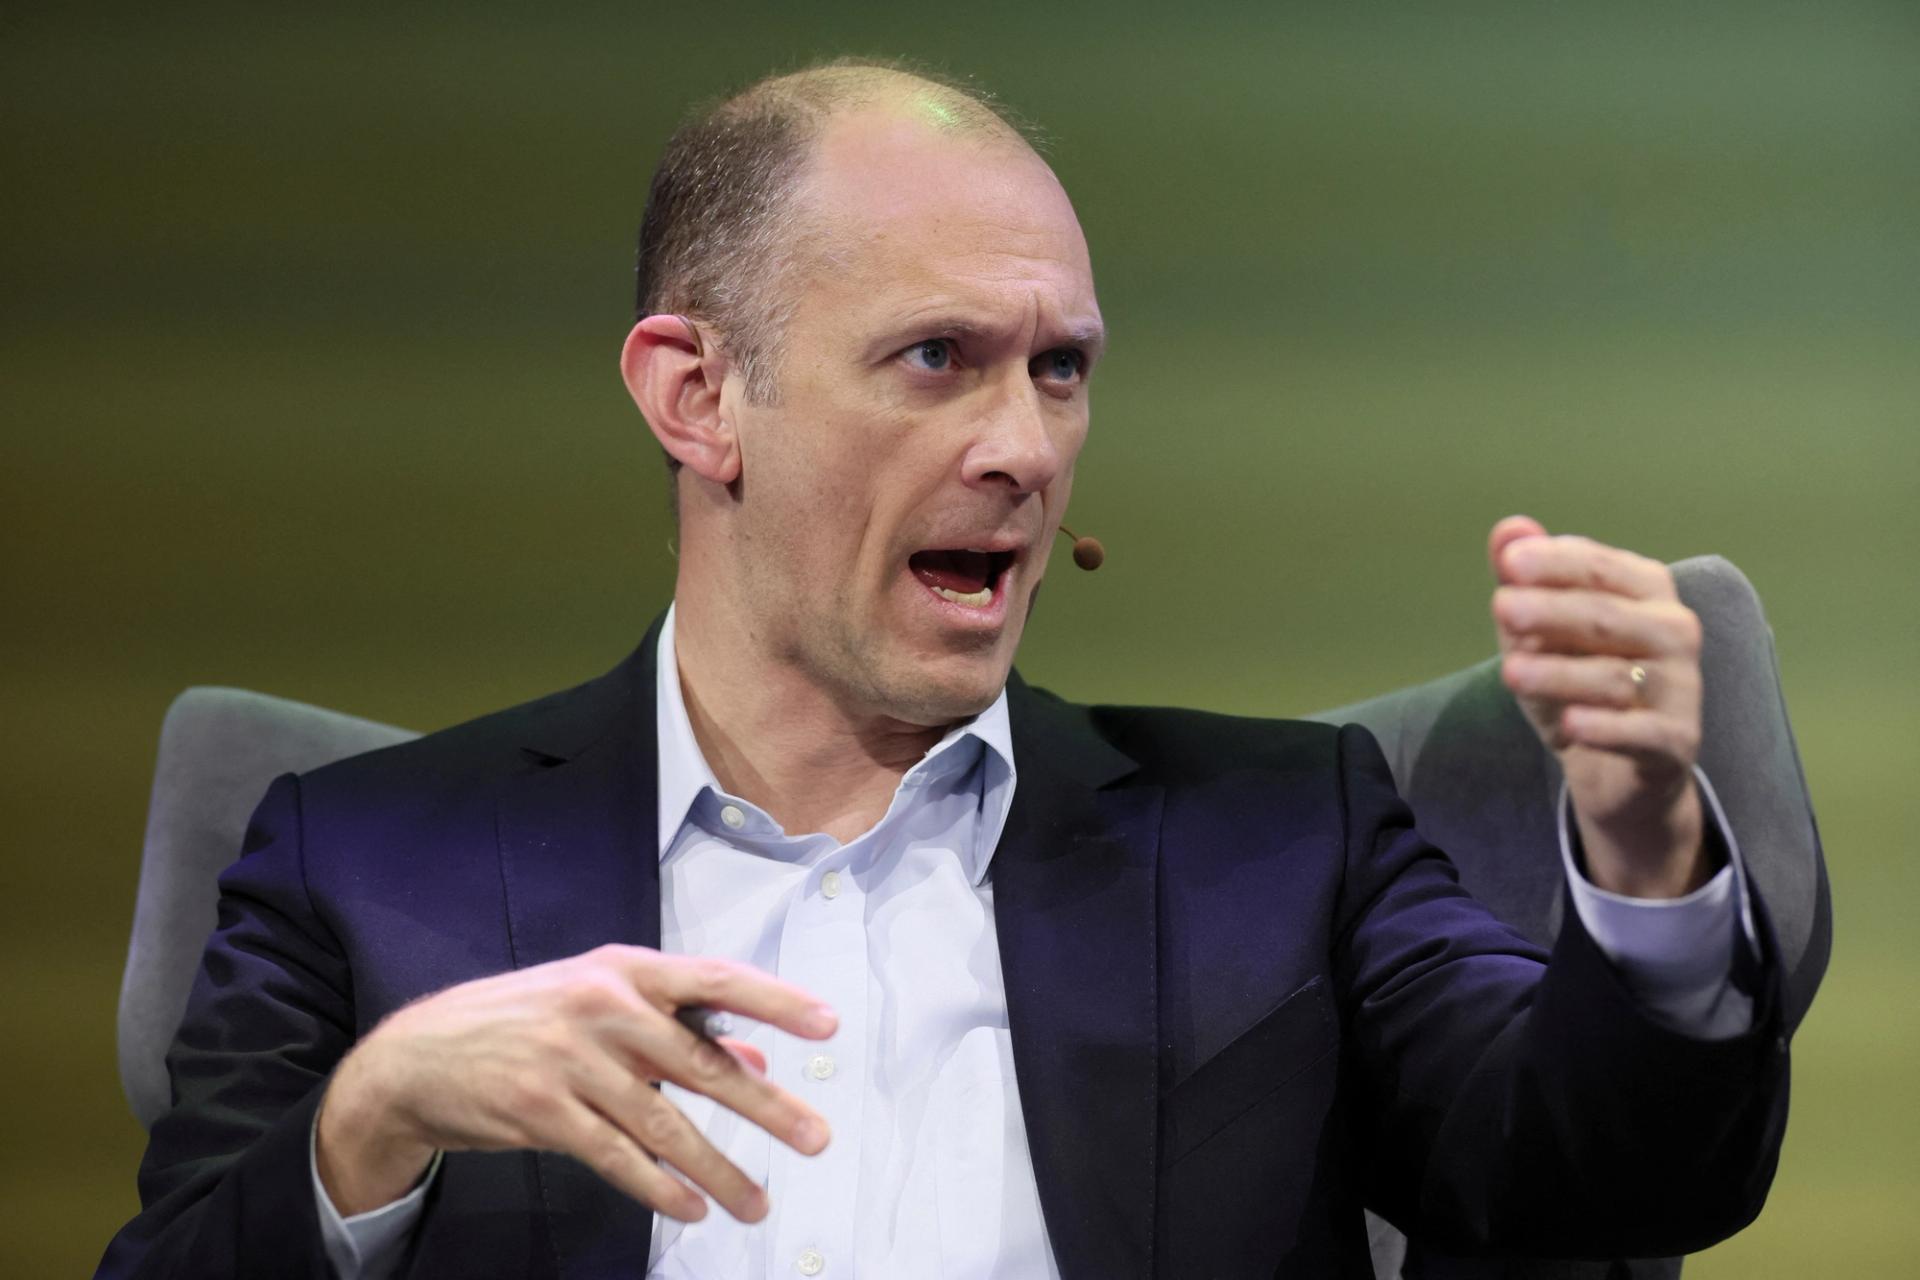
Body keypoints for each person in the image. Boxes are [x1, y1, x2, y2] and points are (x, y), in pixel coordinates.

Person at [99, 60, 1787, 1279]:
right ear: (697, 397)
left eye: (1062, 369)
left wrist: (1646, 861)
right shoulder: (364, 861)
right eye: (937, 360)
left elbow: (1592, 1182)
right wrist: (369, 1127)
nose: (1026, 447)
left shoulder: (1285, 840)